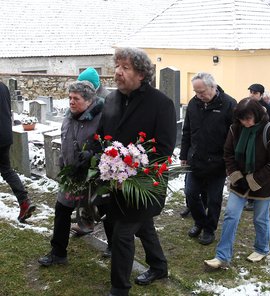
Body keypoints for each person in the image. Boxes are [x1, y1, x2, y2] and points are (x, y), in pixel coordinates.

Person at [98, 47, 176, 295]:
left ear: (141, 74)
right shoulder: (111, 99)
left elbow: (163, 149)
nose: (118, 73)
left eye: (125, 68)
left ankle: (119, 289)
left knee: (122, 234)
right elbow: (102, 137)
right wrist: (93, 158)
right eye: (117, 67)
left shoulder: (161, 104)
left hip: (145, 185)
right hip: (116, 182)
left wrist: (130, 167)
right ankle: (159, 266)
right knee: (143, 227)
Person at [204, 97, 270, 269]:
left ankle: (262, 248)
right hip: (239, 182)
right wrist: (237, 177)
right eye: (241, 119)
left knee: (260, 218)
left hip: (264, 184)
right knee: (231, 215)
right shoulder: (235, 129)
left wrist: (253, 181)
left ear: (256, 115)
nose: (245, 122)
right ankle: (222, 256)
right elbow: (228, 154)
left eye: (248, 119)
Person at [38, 81, 109, 266]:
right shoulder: (69, 116)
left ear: (88, 100)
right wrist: (63, 164)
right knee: (62, 210)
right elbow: (65, 142)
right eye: (70, 98)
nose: (71, 102)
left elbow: (109, 147)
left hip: (93, 177)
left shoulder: (102, 118)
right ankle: (58, 253)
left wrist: (93, 155)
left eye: (75, 98)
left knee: (103, 210)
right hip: (71, 176)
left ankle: (114, 246)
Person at [180, 72, 236, 245]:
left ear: (213, 87)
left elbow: (234, 137)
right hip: (196, 159)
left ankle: (209, 229)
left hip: (218, 163)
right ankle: (199, 222)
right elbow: (187, 130)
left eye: (202, 92)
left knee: (214, 199)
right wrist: (184, 155)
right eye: (196, 92)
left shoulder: (229, 104)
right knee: (190, 194)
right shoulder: (193, 103)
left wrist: (230, 162)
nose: (199, 95)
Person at [73, 67, 111, 237]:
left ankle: (112, 243)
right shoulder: (85, 97)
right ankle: (86, 223)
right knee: (85, 194)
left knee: (103, 201)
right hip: (85, 153)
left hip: (101, 155)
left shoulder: (107, 100)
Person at [0, 81, 36, 223]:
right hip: (5, 135)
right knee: (7, 170)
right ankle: (24, 202)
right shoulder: (2, 86)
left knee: (6, 170)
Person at [245, 83, 270, 211]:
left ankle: (255, 198)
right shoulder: (245, 105)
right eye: (251, 92)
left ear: (261, 95)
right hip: (247, 142)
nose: (252, 95)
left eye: (255, 93)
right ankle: (248, 196)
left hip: (261, 144)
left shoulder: (269, 109)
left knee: (258, 170)